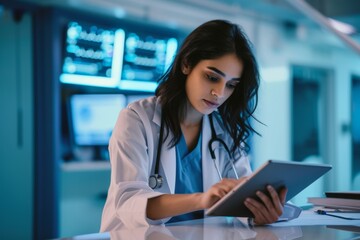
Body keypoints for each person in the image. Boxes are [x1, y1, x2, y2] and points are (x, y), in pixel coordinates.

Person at [100, 19, 287, 231]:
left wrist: (257, 212)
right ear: (186, 64)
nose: (220, 93)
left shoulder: (224, 132)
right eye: (212, 77)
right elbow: (129, 202)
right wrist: (200, 199)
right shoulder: (136, 119)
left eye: (231, 85)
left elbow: (241, 194)